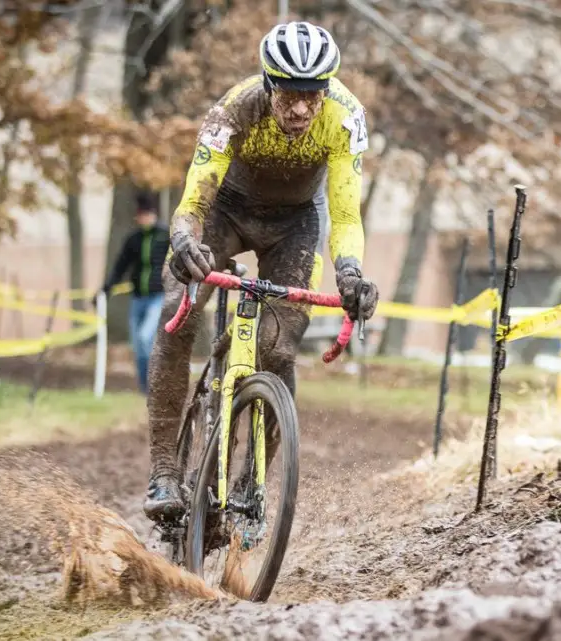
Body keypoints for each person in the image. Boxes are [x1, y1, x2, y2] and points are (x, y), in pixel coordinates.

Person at [142, 21, 380, 522]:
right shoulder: (234, 109)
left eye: (312, 96)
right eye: (289, 95)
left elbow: (344, 215)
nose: (300, 109)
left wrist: (351, 272)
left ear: (327, 91)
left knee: (278, 349)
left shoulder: (345, 117)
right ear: (270, 85)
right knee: (177, 309)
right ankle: (164, 471)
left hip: (295, 224)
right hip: (224, 211)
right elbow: (194, 197)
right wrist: (184, 239)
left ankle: (253, 483)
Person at [100, 191, 170, 395]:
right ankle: (145, 387)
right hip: (138, 297)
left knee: (146, 336)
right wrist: (106, 288)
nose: (143, 218)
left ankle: (155, 381)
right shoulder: (134, 240)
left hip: (157, 297)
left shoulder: (165, 236)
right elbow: (121, 266)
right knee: (138, 345)